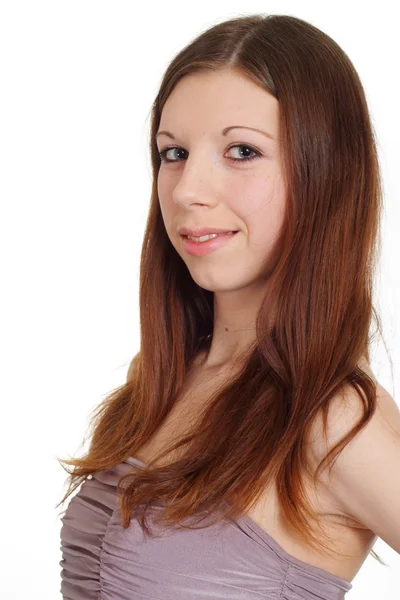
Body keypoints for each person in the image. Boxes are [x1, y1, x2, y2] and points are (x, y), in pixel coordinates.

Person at [57, 13, 400, 600]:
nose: (188, 189)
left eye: (242, 150)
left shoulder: (333, 422)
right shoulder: (159, 382)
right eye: (173, 153)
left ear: (325, 176)